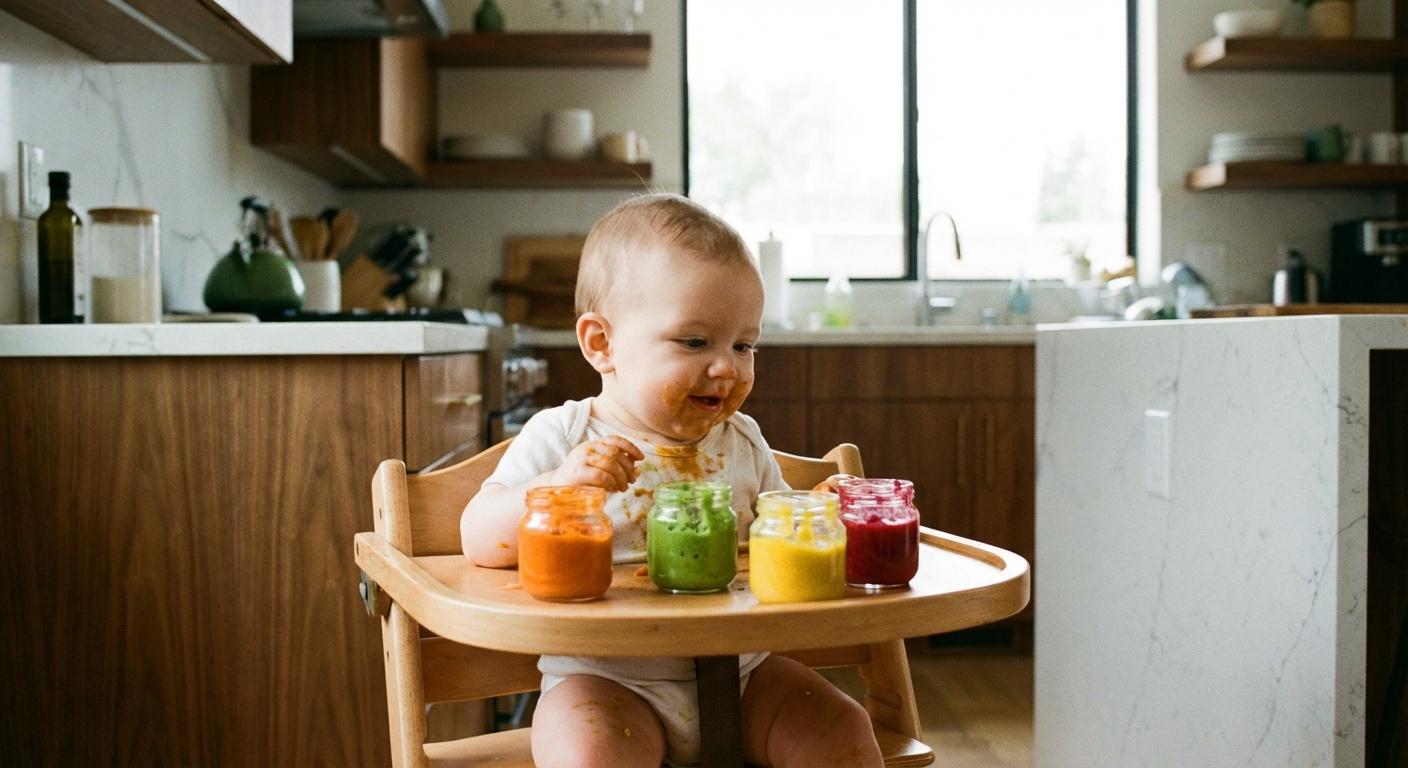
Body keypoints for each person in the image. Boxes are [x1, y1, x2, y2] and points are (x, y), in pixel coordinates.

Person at [461, 193, 883, 768]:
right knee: (588, 753)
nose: (727, 366)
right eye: (694, 342)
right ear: (601, 344)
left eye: (744, 344)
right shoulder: (564, 436)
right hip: (605, 681)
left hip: (742, 673)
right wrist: (560, 488)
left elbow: (777, 529)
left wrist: (815, 509)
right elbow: (477, 538)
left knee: (843, 728)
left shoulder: (742, 439)